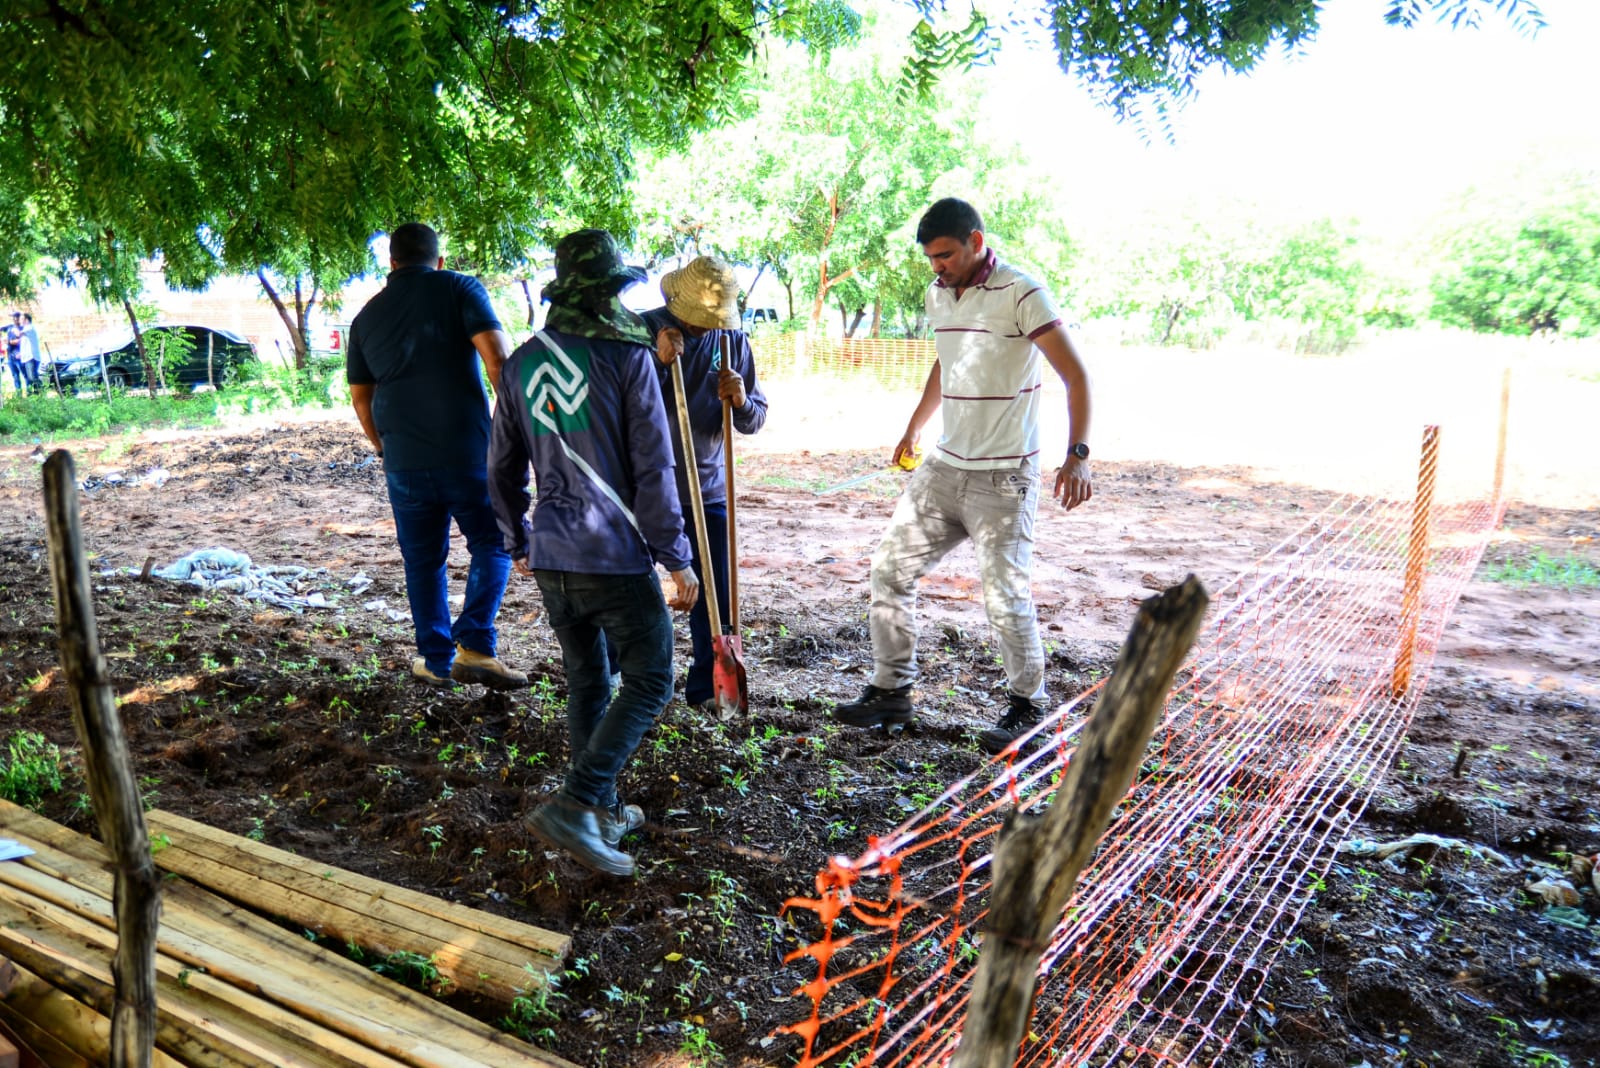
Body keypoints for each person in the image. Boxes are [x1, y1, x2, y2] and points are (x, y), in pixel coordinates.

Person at [832, 197, 1094, 754]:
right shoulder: (936, 294)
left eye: (946, 254)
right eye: (930, 258)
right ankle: (890, 691)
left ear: (976, 240)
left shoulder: (1023, 291)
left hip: (1004, 478)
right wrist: (914, 427)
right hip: (943, 470)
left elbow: (1075, 375)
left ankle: (1029, 704)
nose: (937, 266)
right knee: (890, 570)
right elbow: (946, 361)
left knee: (1004, 594)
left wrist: (1078, 454)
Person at [488, 229, 699, 877]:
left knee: (587, 678)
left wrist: (516, 540)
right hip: (612, 553)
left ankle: (602, 810)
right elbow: (655, 466)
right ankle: (577, 803)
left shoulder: (520, 363)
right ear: (611, 293)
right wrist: (676, 555)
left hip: (552, 553)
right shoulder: (628, 356)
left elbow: (499, 466)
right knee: (652, 677)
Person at [346, 222, 527, 691]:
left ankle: (435, 660)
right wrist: (515, 431)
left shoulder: (366, 317)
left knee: (422, 560)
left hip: (403, 459)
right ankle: (477, 647)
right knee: (493, 541)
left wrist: (383, 446)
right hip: (467, 449)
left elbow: (361, 400)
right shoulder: (460, 287)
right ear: (439, 259)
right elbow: (498, 361)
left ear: (391, 263)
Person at [637, 256, 767, 711]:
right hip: (643, 487)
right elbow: (613, 401)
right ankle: (637, 686)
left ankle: (705, 690)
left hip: (706, 486)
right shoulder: (641, 330)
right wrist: (654, 362)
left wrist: (742, 400)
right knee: (630, 589)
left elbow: (756, 418)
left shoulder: (733, 339)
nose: (701, 326)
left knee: (715, 597)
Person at [18, 313, 42, 393]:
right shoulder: (27, 329)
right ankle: (37, 394)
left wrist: (12, 329)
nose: (20, 321)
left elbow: (19, 334)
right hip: (27, 357)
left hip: (31, 357)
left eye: (21, 319)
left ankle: (42, 389)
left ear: (26, 320)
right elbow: (26, 344)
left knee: (32, 377)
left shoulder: (29, 328)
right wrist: (21, 353)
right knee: (30, 377)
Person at [4, 313, 24, 394]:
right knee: (15, 377)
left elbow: (19, 341)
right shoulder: (9, 327)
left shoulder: (22, 328)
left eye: (17, 317)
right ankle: (19, 396)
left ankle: (31, 394)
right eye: (14, 317)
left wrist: (8, 341)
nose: (15, 319)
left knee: (25, 375)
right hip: (10, 356)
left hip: (19, 355)